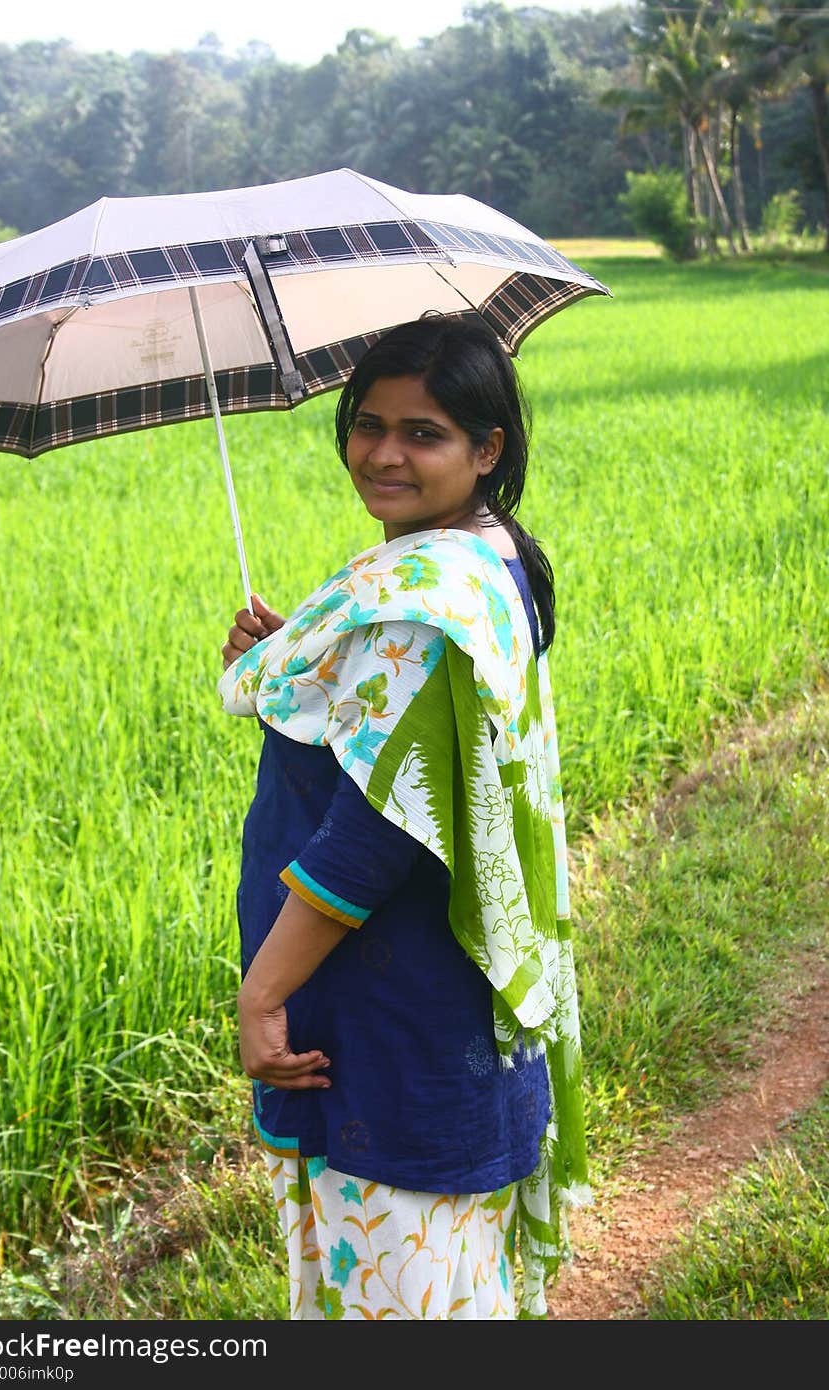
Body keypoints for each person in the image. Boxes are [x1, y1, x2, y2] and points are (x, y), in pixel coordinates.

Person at [217, 314, 589, 1321]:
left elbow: (374, 833)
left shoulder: (424, 598)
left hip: (391, 1016)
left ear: (486, 448)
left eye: (421, 432)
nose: (382, 452)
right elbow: (389, 733)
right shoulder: (481, 561)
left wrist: (260, 996)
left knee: (398, 1290)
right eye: (366, 423)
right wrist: (290, 659)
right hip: (442, 1001)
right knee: (443, 1281)